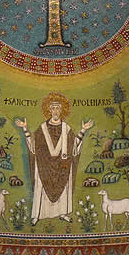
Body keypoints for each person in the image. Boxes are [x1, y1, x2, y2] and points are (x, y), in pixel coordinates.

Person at [15, 93, 92, 226]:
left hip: (63, 165)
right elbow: (34, 146)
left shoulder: (66, 129)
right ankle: (38, 215)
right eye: (53, 108)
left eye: (58, 108)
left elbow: (74, 147)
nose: (55, 111)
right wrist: (25, 129)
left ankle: (63, 213)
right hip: (44, 164)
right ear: (49, 110)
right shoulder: (42, 128)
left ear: (61, 110)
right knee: (41, 187)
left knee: (64, 187)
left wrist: (83, 130)